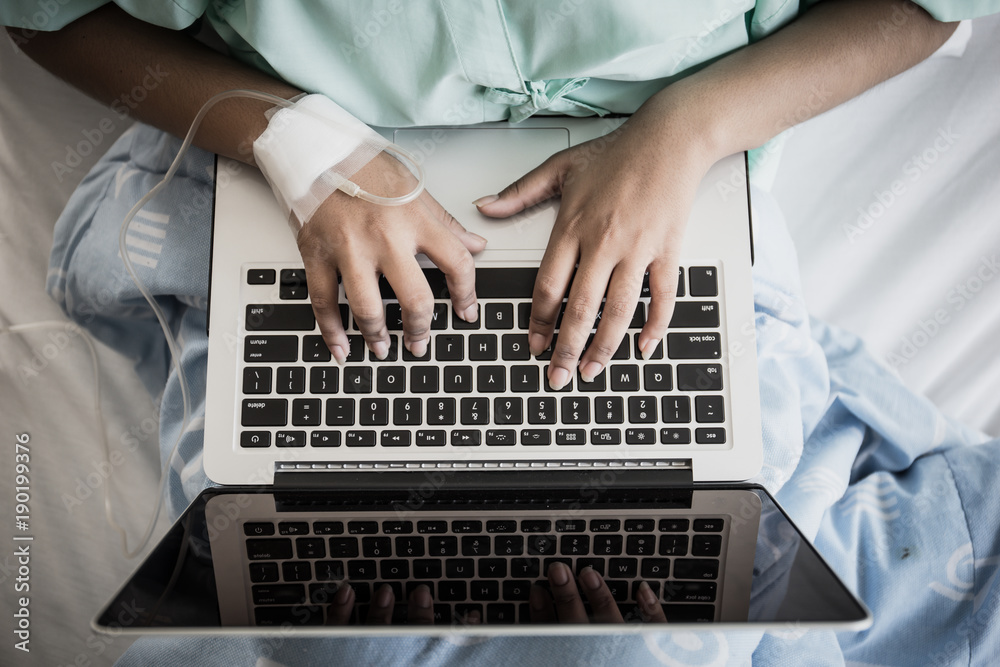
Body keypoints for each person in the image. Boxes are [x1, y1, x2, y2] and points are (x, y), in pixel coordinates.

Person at [6, 2, 1000, 665]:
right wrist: (296, 138)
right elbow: (47, 13)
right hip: (304, 212)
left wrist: (686, 127)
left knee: (649, 643)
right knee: (330, 640)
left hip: (670, 203)